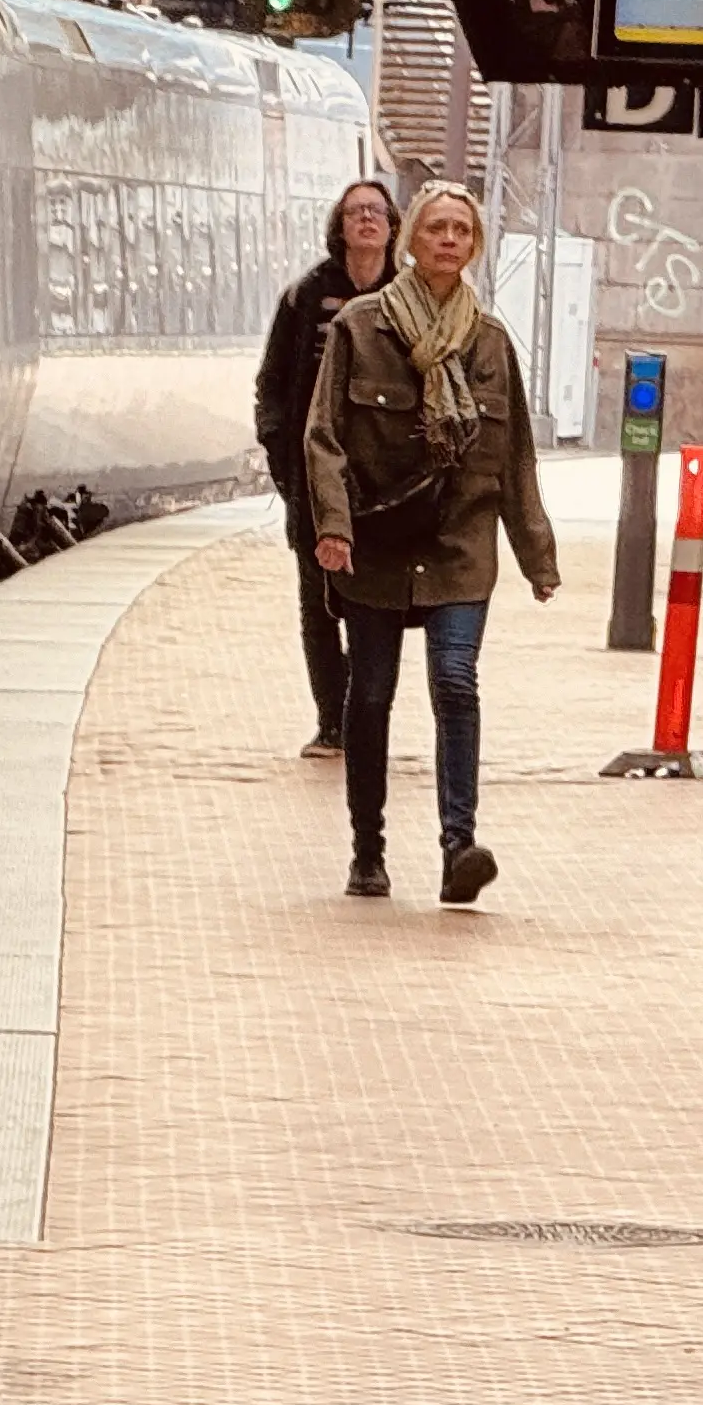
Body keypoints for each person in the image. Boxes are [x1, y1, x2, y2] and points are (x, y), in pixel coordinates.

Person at [305, 181, 559, 905]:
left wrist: (537, 557)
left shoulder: (491, 343)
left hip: (460, 543)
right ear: (410, 239)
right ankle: (368, 851)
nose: (449, 240)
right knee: (370, 694)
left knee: (455, 682)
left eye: (462, 230)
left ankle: (458, 849)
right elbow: (323, 437)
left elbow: (516, 460)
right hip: (377, 542)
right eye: (436, 228)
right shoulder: (361, 328)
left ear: (474, 246)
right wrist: (333, 527)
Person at [257, 179, 397, 756]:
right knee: (317, 604)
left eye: (376, 211)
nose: (366, 219)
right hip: (312, 481)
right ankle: (332, 721)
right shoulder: (305, 297)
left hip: (385, 485)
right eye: (355, 211)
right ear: (339, 226)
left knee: (374, 607)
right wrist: (282, 459)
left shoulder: (406, 296)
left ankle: (363, 716)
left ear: (392, 225)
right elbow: (272, 384)